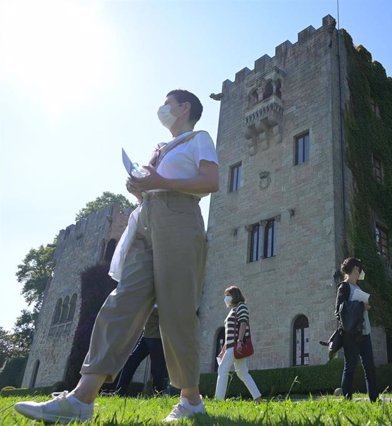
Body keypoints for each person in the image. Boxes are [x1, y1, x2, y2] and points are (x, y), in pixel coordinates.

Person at [14, 89, 219, 424]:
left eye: (168, 103)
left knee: (176, 310)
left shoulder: (199, 139)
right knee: (121, 301)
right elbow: (155, 184)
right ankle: (82, 398)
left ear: (184, 108)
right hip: (144, 222)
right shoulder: (158, 149)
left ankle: (191, 400)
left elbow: (211, 181)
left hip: (179, 221)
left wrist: (160, 180)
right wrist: (142, 186)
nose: (163, 108)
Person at [335, 257, 379, 402]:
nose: (360, 273)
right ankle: (347, 400)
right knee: (350, 368)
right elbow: (339, 310)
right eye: (359, 270)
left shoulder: (358, 288)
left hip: (364, 332)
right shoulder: (344, 287)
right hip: (351, 334)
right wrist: (361, 306)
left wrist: (364, 307)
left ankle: (375, 399)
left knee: (370, 368)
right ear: (354, 270)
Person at [214, 286, 262, 401]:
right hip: (232, 346)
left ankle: (218, 400)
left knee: (222, 370)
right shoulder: (233, 310)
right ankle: (258, 398)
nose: (226, 298)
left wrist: (240, 341)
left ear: (235, 295)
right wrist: (223, 349)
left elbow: (243, 324)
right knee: (242, 373)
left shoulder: (241, 306)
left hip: (236, 346)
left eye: (228, 295)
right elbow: (229, 333)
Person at [116, 308, 168, 396]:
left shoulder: (162, 298)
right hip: (146, 336)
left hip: (157, 337)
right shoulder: (150, 297)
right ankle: (120, 391)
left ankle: (158, 393)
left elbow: (166, 312)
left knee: (157, 367)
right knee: (131, 362)